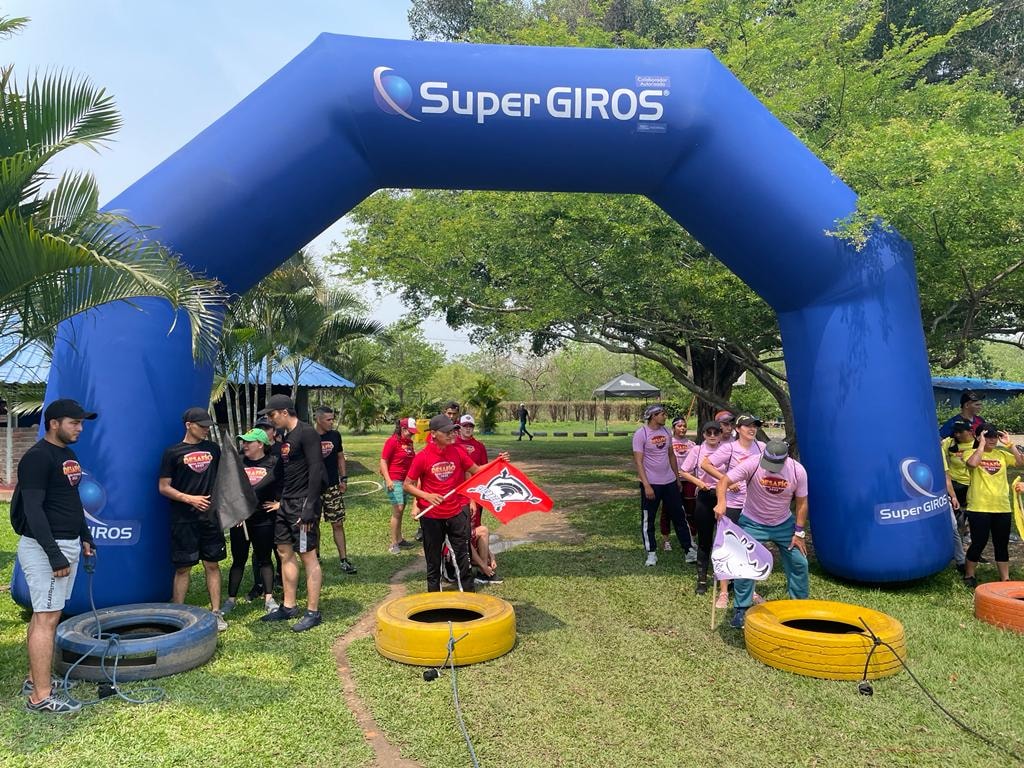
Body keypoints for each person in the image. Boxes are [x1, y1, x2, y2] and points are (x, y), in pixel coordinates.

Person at [10, 399, 97, 713]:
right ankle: (41, 697)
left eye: (81, 423)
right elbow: (33, 510)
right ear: (54, 423)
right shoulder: (37, 458)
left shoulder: (68, 455)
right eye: (74, 423)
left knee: (45, 615)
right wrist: (54, 555)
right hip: (46, 548)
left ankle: (35, 680)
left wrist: (84, 536)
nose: (80, 428)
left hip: (67, 543)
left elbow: (72, 500)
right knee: (47, 619)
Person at [715, 439, 809, 629]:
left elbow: (802, 503)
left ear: (786, 459)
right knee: (744, 565)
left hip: (783, 523)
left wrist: (799, 533)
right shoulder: (752, 463)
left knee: (799, 562)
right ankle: (741, 609)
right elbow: (724, 481)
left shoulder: (797, 471)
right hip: (752, 522)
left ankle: (800, 607)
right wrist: (721, 502)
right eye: (768, 462)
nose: (771, 468)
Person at [259, 394, 324, 631]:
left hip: (302, 503)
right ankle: (288, 606)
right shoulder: (286, 436)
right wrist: (251, 492)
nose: (270, 419)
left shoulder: (307, 433)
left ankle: (313, 612)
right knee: (284, 551)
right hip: (286, 503)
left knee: (308, 555)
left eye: (272, 415)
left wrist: (310, 507)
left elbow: (316, 470)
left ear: (285, 412)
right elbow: (280, 472)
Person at [158, 407, 227, 631]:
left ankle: (216, 613)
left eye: (208, 426)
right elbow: (163, 487)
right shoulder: (172, 452)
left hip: (210, 518)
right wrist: (190, 499)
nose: (206, 430)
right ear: (188, 425)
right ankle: (177, 616)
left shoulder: (214, 449)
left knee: (212, 564)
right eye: (202, 426)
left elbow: (225, 479)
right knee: (183, 568)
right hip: (183, 519)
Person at [404, 413, 486, 592]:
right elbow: (407, 485)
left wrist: (499, 463)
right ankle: (434, 598)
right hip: (431, 516)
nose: (451, 434)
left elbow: (477, 470)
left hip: (456, 512)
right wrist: (426, 496)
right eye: (446, 432)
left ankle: (469, 595)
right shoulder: (423, 456)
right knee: (433, 560)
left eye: (453, 431)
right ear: (433, 434)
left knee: (463, 557)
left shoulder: (458, 451)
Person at [701, 414, 767, 609]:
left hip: (753, 506)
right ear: (737, 429)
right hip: (732, 504)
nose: (752, 429)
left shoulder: (761, 447)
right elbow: (705, 464)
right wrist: (727, 481)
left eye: (755, 426)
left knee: (750, 547)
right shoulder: (729, 448)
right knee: (727, 547)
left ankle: (750, 590)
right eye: (747, 426)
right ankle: (723, 592)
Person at [222, 428, 281, 616]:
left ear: (260, 444)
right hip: (240, 521)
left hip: (264, 520)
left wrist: (280, 503)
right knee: (238, 560)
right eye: (243, 442)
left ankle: (269, 599)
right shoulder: (238, 462)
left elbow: (286, 484)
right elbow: (228, 490)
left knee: (265, 559)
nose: (244, 445)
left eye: (249, 442)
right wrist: (235, 512)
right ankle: (230, 600)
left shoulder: (273, 462)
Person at [962, 423, 1024, 588]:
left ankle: (1005, 579)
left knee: (1001, 544)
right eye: (987, 436)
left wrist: (1010, 445)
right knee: (979, 543)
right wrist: (981, 445)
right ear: (978, 437)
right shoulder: (970, 453)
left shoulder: (1001, 454)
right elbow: (972, 464)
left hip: (1002, 507)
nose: (992, 439)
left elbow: (1020, 462)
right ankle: (969, 574)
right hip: (979, 507)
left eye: (994, 436)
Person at [632, 403, 689, 567]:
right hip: (651, 483)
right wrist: (646, 485)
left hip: (669, 482)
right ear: (653, 416)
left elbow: (671, 455)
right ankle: (651, 553)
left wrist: (677, 479)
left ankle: (688, 549)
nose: (665, 417)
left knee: (679, 516)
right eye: (662, 414)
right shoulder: (641, 434)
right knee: (648, 519)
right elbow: (638, 462)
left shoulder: (666, 432)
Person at [455, 414, 507, 585]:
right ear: (459, 427)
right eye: (465, 426)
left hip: (475, 494)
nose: (468, 428)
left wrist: (499, 462)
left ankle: (480, 565)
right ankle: (473, 564)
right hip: (458, 496)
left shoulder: (479, 446)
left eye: (470, 426)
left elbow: (482, 471)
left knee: (475, 526)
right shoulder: (453, 445)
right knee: (462, 530)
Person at [678, 421, 725, 594]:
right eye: (708, 432)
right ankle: (702, 579)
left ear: (721, 434)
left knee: (725, 540)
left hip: (723, 497)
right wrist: (698, 482)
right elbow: (683, 471)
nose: (712, 436)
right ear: (703, 434)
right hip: (705, 497)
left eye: (716, 433)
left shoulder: (726, 449)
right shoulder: (697, 450)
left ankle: (726, 579)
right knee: (705, 540)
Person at [315, 405, 356, 575]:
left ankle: (344, 559)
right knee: (313, 524)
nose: (332, 422)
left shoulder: (335, 435)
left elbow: (340, 457)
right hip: (313, 488)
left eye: (333, 419)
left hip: (332, 486)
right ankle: (315, 557)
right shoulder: (309, 437)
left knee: (338, 523)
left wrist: (343, 478)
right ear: (318, 420)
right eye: (328, 419)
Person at [380, 417, 418, 554]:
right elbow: (383, 461)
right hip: (394, 480)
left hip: (405, 481)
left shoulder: (409, 443)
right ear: (402, 429)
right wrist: (388, 479)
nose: (412, 434)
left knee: (401, 510)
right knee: (398, 509)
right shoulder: (392, 441)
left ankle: (400, 539)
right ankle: (393, 543)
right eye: (410, 432)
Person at [941, 420, 975, 575]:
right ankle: (959, 556)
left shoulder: (977, 444)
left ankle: (972, 552)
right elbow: (945, 472)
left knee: (972, 519)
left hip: (972, 485)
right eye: (955, 432)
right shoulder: (949, 443)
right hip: (955, 485)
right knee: (957, 521)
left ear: (970, 431)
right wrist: (953, 495)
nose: (957, 434)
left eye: (961, 431)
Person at [670, 417, 699, 564]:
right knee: (670, 512)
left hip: (689, 481)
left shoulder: (692, 445)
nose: (682, 428)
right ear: (673, 428)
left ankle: (692, 538)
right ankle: (666, 539)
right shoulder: (669, 443)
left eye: (684, 426)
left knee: (690, 510)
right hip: (672, 481)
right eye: (679, 426)